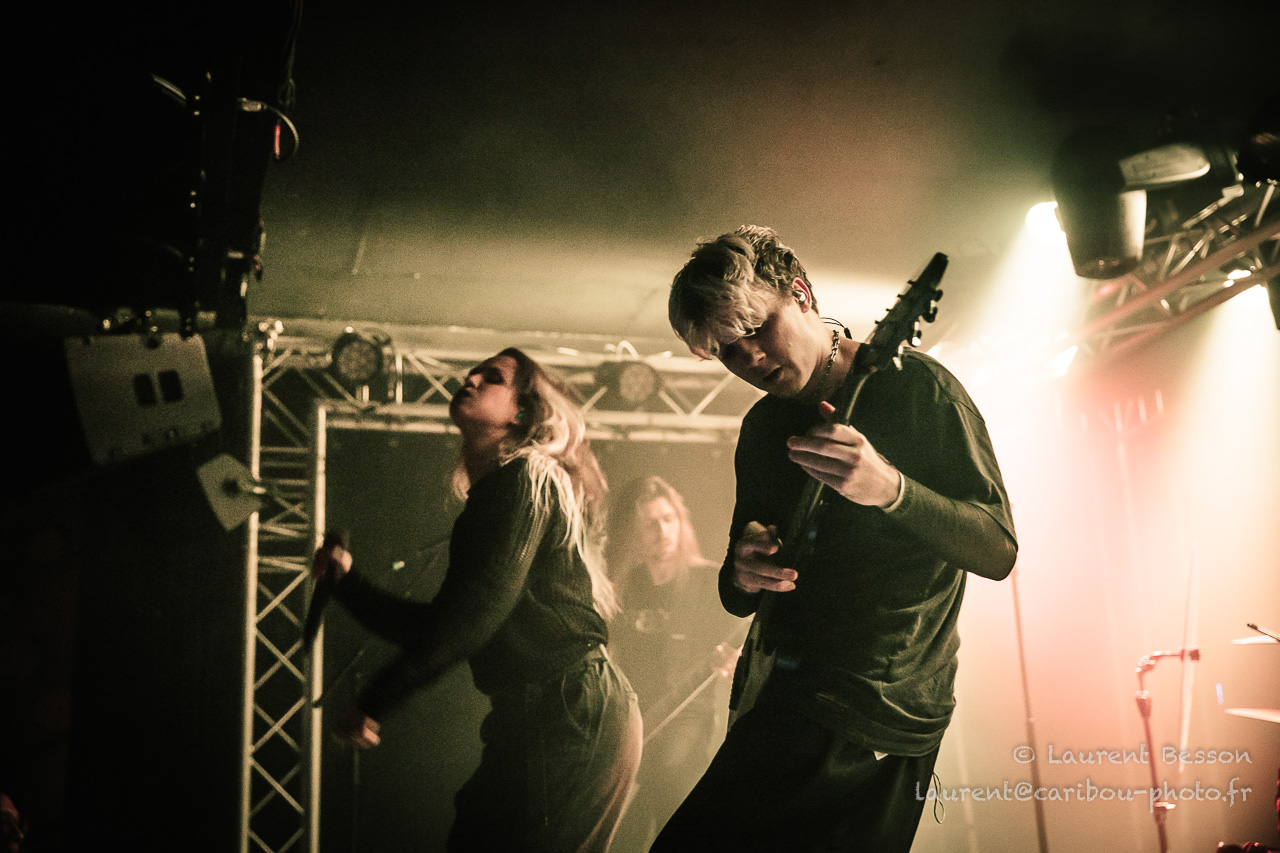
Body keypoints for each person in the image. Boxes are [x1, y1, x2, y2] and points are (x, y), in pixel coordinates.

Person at [650, 226, 1018, 852]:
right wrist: (743, 569)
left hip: (880, 703)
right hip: (786, 690)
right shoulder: (763, 428)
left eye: (756, 328)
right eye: (727, 350)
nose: (749, 358)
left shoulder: (918, 389)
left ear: (800, 294)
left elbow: (997, 548)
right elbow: (738, 597)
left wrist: (891, 489)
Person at [311, 347, 643, 853]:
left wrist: (377, 698)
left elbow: (471, 619)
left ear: (522, 412)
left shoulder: (525, 480)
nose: (470, 378)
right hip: (549, 710)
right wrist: (346, 584)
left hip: (568, 707)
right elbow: (444, 625)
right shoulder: (499, 495)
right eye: (475, 372)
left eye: (493, 377)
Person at [603, 476, 745, 852]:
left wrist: (735, 659)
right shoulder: (622, 586)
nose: (662, 531)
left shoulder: (710, 581)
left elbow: (742, 643)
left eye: (668, 519)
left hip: (687, 720)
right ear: (633, 532)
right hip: (631, 722)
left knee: (672, 801)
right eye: (650, 523)